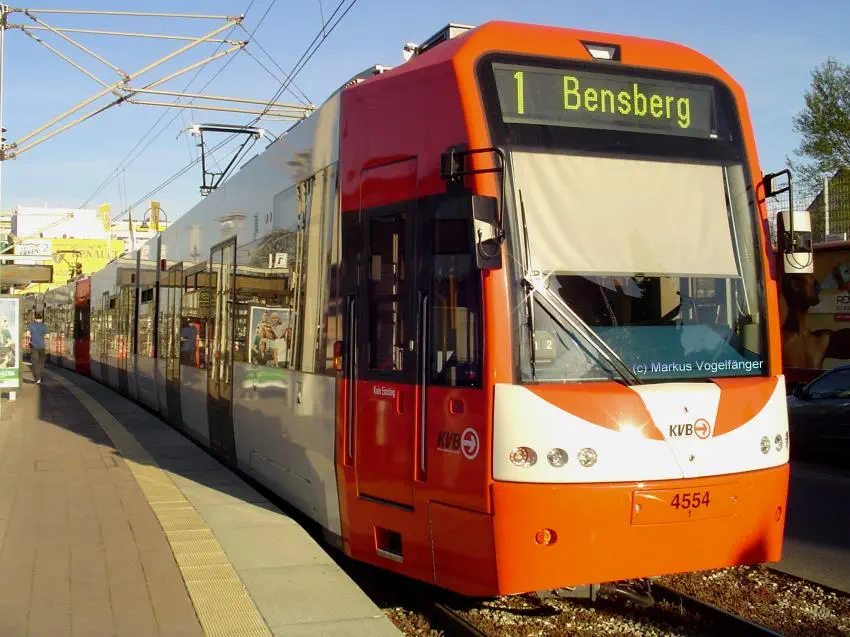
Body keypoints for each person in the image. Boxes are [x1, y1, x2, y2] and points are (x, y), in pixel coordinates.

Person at [781, 273, 850, 370]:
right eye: (810, 276)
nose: (815, 281)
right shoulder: (777, 342)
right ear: (795, 285)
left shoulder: (822, 340)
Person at [27, 312, 48, 384]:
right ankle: (40, 378)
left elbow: (28, 334)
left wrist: (32, 337)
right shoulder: (44, 326)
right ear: (41, 319)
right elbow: (47, 336)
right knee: (41, 363)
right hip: (42, 347)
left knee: (34, 363)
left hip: (34, 346)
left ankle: (37, 378)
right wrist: (41, 336)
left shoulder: (31, 325)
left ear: (35, 319)